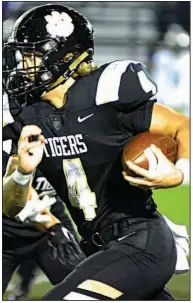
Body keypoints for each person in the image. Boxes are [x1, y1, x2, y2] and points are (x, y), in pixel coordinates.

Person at [3, 4, 189, 300]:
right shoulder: (26, 115)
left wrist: (179, 173)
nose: (22, 65)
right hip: (95, 247)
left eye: (31, 55)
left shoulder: (105, 93)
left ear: (63, 58)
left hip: (141, 240)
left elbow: (182, 125)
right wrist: (23, 173)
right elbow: (10, 207)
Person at [2, 148, 84, 299]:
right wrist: (55, 227)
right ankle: (24, 283)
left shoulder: (59, 141)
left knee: (83, 287)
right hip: (7, 236)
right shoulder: (8, 147)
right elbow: (23, 198)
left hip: (48, 233)